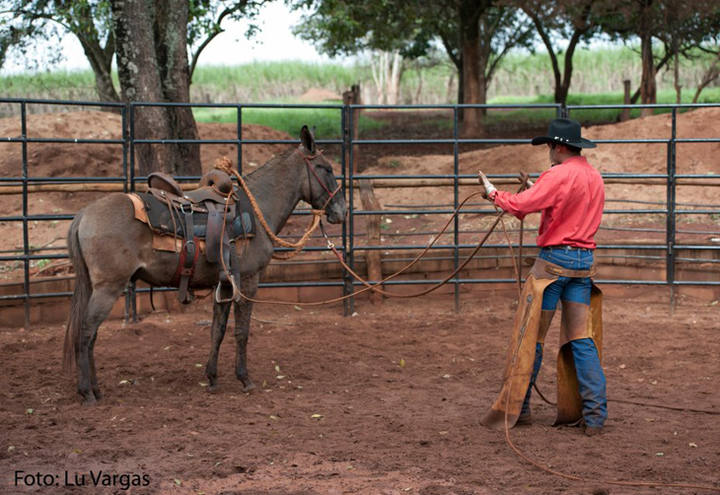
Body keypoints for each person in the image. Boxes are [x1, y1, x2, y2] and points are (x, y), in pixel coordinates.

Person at [478, 118, 607, 436]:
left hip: (552, 264)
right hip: (583, 265)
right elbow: (558, 202)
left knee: (531, 336)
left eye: (550, 145)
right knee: (581, 339)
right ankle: (595, 417)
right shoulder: (594, 176)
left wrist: (494, 194)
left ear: (559, 146)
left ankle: (518, 410)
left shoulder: (557, 174)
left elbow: (523, 205)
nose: (548, 151)